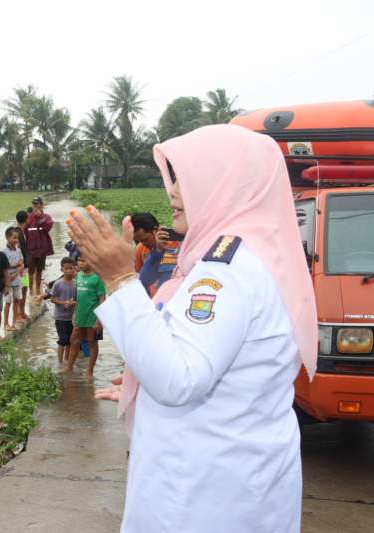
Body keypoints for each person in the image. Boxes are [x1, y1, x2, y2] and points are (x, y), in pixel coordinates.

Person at [67, 124, 317, 533]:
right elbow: (195, 352)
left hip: (204, 495)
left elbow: (179, 379)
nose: (173, 191)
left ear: (225, 183)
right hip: (224, 480)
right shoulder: (228, 258)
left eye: (186, 177)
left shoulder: (228, 270)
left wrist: (118, 279)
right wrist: (141, 382)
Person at [61, 255, 105, 376]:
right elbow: (79, 297)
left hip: (93, 316)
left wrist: (99, 320)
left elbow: (102, 299)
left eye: (83, 261)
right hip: (80, 315)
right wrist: (75, 313)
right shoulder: (78, 275)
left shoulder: (97, 278)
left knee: (92, 342)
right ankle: (69, 367)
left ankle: (89, 371)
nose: (80, 263)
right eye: (79, 260)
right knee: (74, 340)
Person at [139, 225, 183, 295]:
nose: (143, 243)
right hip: (163, 300)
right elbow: (145, 280)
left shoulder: (201, 252)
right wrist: (158, 250)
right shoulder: (160, 252)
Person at [50, 257, 77, 366]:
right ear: (62, 270)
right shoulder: (58, 283)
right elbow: (52, 299)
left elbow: (77, 299)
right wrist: (63, 303)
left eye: (71, 268)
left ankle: (67, 360)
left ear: (75, 269)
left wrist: (72, 303)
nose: (69, 271)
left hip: (72, 317)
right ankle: (60, 362)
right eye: (66, 269)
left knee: (71, 340)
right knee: (63, 339)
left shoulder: (76, 283)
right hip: (60, 316)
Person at [26, 197, 54, 296]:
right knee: (29, 270)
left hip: (42, 249)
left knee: (39, 270)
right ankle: (30, 290)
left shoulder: (46, 217)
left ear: (42, 205)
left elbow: (49, 226)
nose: (35, 205)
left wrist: (39, 219)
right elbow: (23, 230)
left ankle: (37, 289)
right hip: (30, 248)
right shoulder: (29, 217)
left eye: (37, 203)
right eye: (34, 204)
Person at [2, 227, 24, 332]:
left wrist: (18, 266)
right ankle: (6, 323)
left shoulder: (18, 249)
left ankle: (14, 321)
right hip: (8, 281)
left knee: (16, 301)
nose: (16, 240)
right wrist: (17, 266)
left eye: (17, 238)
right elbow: (5, 267)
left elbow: (21, 261)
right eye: (14, 238)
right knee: (8, 302)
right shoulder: (4, 252)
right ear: (7, 237)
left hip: (18, 280)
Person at [15, 210, 31, 323]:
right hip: (20, 268)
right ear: (27, 219)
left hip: (23, 267)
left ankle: (22, 312)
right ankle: (19, 314)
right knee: (21, 289)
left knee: (24, 288)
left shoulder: (21, 231)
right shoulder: (18, 233)